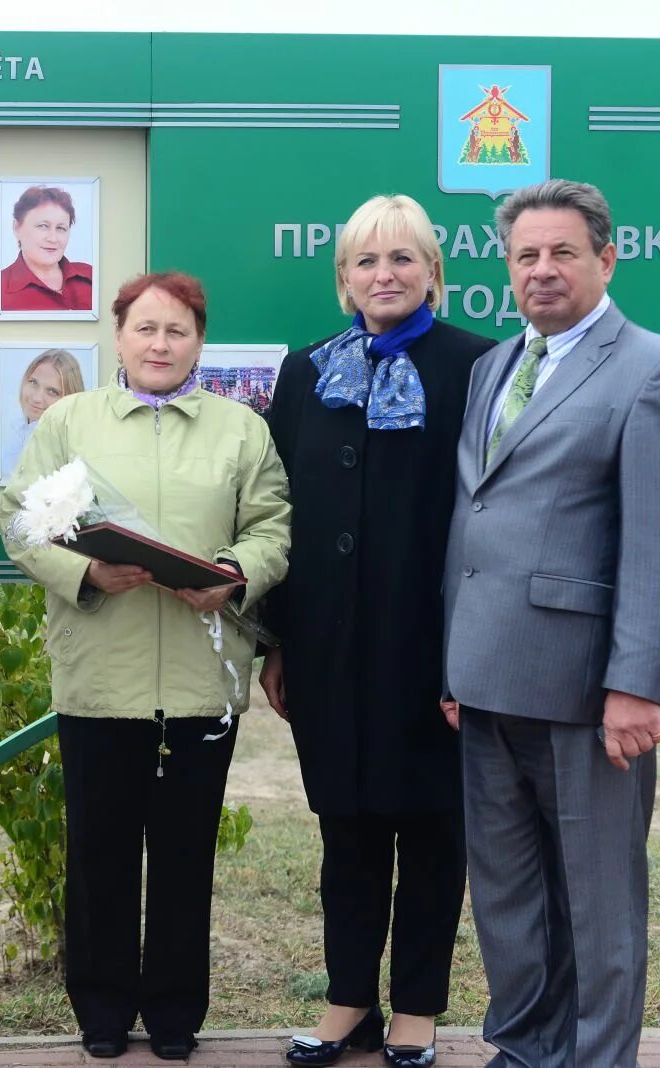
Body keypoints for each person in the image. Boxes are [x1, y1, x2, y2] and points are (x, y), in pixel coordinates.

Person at [0, 272, 290, 1062]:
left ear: (200, 341)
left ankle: (172, 1014)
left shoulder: (241, 429)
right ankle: (100, 1009)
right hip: (102, 674)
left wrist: (233, 571)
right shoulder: (68, 421)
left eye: (178, 331)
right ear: (118, 337)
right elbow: (20, 520)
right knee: (99, 848)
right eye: (145, 329)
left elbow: (272, 524)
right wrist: (86, 574)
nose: (161, 344)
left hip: (202, 679)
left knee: (186, 852)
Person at [260, 194, 492, 1068]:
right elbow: (282, 513)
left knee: (433, 828)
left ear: (434, 270)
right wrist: (279, 640)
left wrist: (470, 653)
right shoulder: (304, 371)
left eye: (402, 259)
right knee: (345, 830)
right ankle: (349, 999)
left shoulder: (478, 365)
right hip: (328, 646)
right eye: (366, 261)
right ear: (342, 279)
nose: (384, 275)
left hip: (436, 646)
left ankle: (419, 1010)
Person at [443, 179, 660, 1068]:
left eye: (563, 252)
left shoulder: (646, 368)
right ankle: (528, 1046)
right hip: (485, 680)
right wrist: (452, 668)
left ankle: (600, 1056)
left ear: (607, 258)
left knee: (600, 897)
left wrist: (637, 683)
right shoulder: (492, 367)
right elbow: (475, 521)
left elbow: (652, 540)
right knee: (507, 891)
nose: (543, 271)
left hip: (585, 688)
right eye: (526, 255)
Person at [0, 185, 93, 313]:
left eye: (61, 228)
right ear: (17, 228)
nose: (53, 239)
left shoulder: (90, 275)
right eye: (43, 226)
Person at [0, 348, 84, 481]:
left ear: (70, 397)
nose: (37, 398)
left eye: (52, 392)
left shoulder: (75, 450)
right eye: (33, 383)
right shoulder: (11, 431)